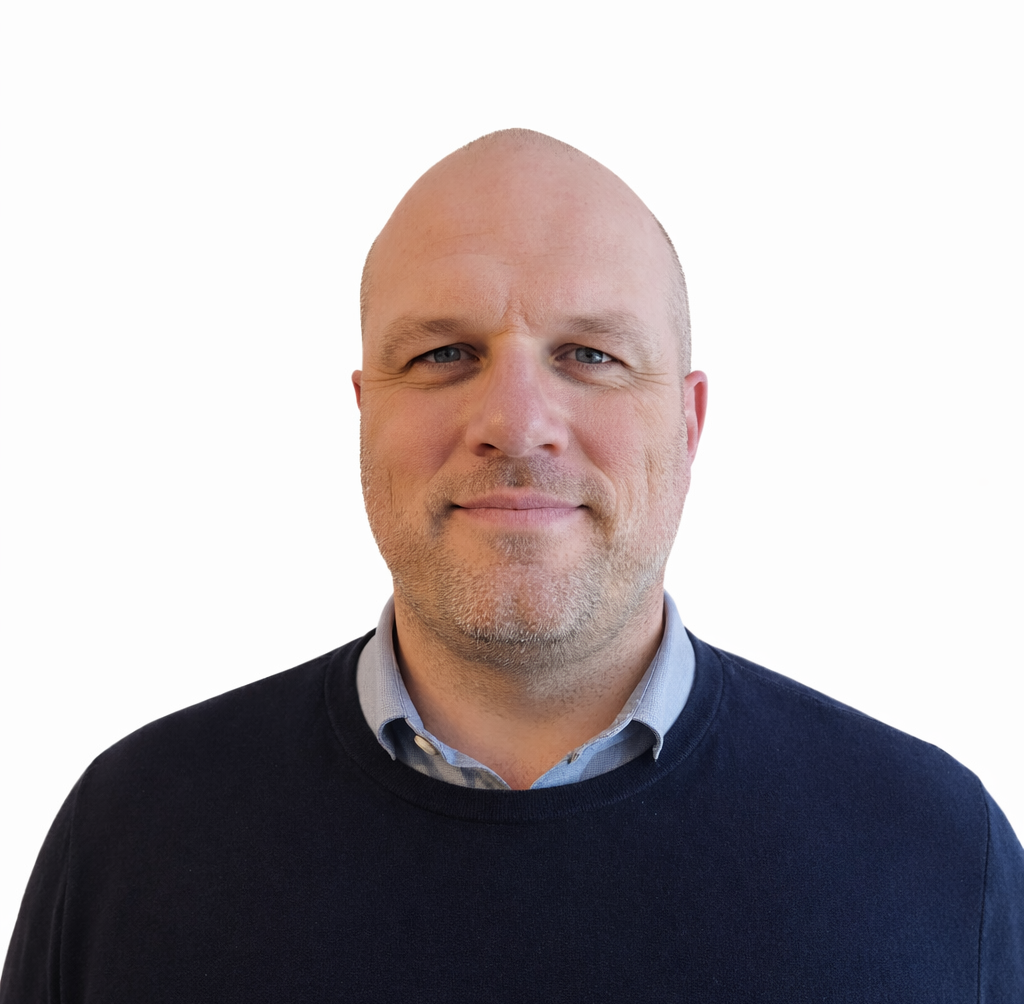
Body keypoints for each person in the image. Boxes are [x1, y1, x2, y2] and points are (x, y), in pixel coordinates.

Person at [2, 129, 1021, 1001]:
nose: (516, 423)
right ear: (366, 414)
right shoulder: (135, 839)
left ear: (688, 418)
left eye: (590, 354)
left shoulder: (934, 851)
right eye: (443, 354)